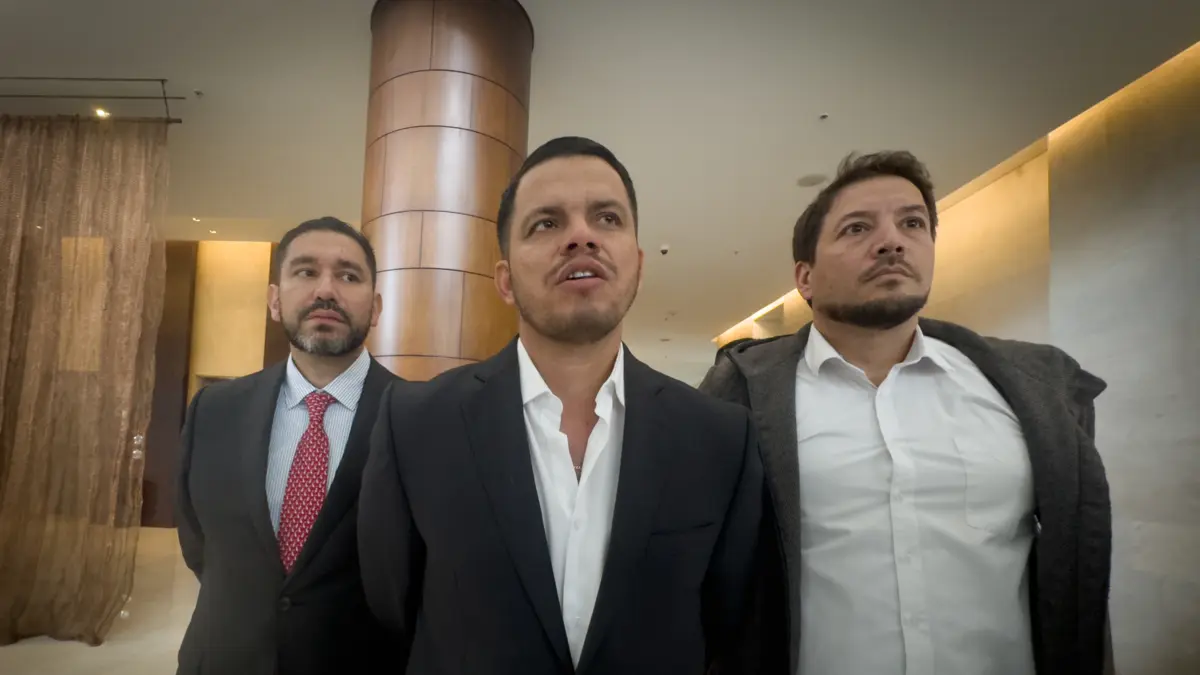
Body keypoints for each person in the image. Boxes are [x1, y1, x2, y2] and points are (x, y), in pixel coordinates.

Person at [359, 136, 765, 674]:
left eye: (607, 219)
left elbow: (728, 626)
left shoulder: (720, 438)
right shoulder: (415, 424)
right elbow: (392, 611)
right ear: (505, 280)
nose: (581, 236)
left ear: (638, 265)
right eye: (546, 223)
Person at [700, 151, 1114, 675]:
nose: (892, 242)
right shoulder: (741, 399)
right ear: (805, 278)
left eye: (912, 223)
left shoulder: (1029, 392)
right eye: (857, 228)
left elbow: (1075, 570)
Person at [175, 217, 398, 675]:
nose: (326, 290)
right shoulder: (214, 409)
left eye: (348, 276)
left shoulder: (420, 419)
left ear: (375, 307)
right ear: (275, 300)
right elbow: (200, 543)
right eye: (306, 271)